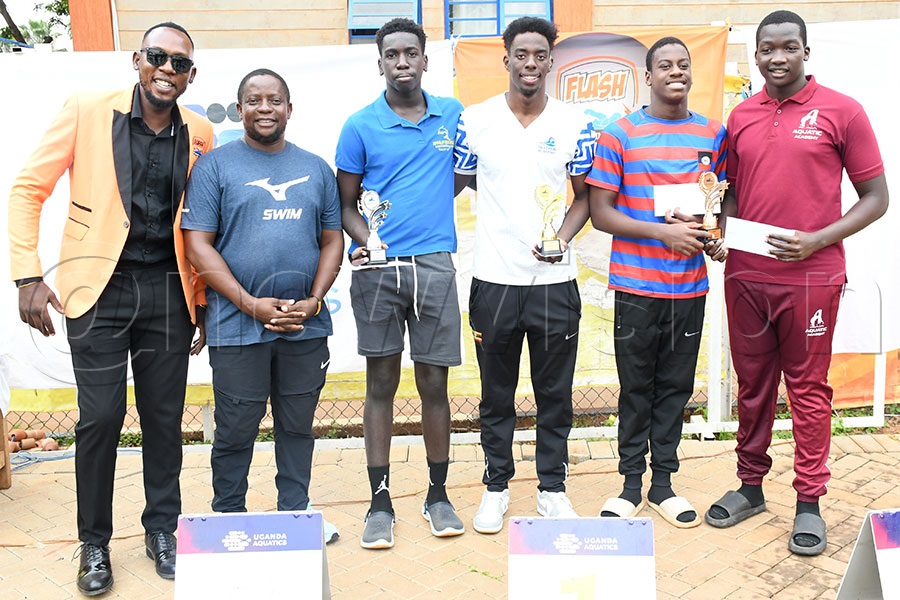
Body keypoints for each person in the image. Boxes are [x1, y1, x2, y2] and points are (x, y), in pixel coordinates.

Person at [7, 22, 212, 595]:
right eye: (157, 57)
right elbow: (28, 189)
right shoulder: (86, 109)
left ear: (190, 76)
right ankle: (93, 542)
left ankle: (162, 529)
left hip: (169, 292)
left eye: (179, 63)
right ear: (137, 61)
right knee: (100, 419)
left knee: (164, 419)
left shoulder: (200, 131)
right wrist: (27, 273)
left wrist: (198, 299)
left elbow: (198, 222)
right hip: (97, 289)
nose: (167, 70)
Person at [705, 10, 888, 556]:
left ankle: (809, 502)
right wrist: (725, 234)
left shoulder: (842, 111)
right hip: (747, 276)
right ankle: (750, 486)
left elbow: (876, 198)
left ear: (806, 51)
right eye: (767, 49)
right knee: (753, 385)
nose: (777, 57)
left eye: (789, 47)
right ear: (756, 54)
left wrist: (817, 239)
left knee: (807, 390)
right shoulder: (740, 116)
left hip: (812, 277)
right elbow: (732, 190)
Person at [453, 16, 595, 534]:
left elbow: (583, 197)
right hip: (493, 280)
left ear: (550, 60)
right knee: (496, 392)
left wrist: (561, 238)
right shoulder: (475, 120)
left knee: (554, 391)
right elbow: (458, 181)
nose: (530, 63)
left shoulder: (575, 122)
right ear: (506, 59)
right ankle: (495, 488)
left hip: (555, 283)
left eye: (540, 54)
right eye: (521, 54)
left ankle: (552, 490)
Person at [182, 70, 343, 523]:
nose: (265, 108)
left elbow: (332, 240)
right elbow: (197, 244)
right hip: (236, 324)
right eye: (254, 100)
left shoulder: (314, 168)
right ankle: (228, 516)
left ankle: (295, 514)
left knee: (296, 428)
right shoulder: (214, 167)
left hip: (303, 323)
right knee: (234, 430)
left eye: (274, 100)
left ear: (290, 109)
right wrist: (249, 303)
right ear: (239, 110)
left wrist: (314, 299)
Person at [583, 37, 727, 528]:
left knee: (675, 389)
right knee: (635, 388)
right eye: (664, 65)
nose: (675, 72)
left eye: (683, 65)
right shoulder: (619, 134)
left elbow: (718, 206)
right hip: (637, 288)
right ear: (648, 76)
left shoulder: (713, 133)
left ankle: (663, 484)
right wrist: (662, 232)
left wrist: (715, 238)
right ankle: (628, 485)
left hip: (688, 290)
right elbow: (601, 213)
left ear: (691, 73)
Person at [335, 17, 465, 549]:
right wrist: (371, 239)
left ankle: (438, 494)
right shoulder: (359, 125)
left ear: (425, 60)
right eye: (393, 54)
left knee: (435, 384)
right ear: (381, 62)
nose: (403, 62)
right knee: (380, 383)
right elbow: (346, 205)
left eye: (411, 53)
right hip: (377, 271)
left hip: (434, 265)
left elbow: (462, 176)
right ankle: (379, 500)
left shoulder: (452, 116)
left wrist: (427, 220)